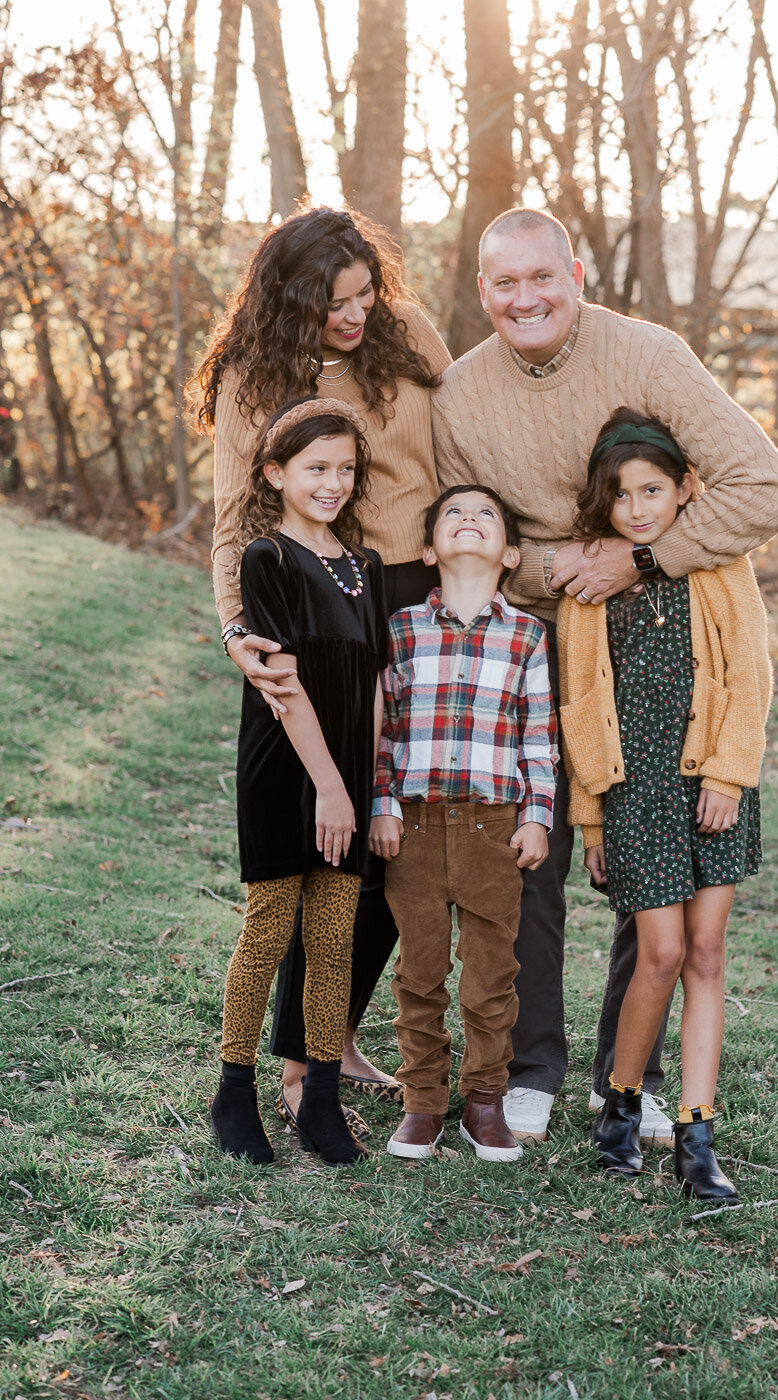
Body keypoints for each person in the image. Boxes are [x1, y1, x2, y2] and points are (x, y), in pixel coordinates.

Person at [431, 207, 778, 1143]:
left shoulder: (649, 355)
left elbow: (770, 490)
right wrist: (558, 566)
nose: (525, 298)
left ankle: (618, 1077)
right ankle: (530, 1068)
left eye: (541, 278)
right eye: (504, 283)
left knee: (652, 872)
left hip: (661, 646)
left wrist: (637, 560)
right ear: (483, 292)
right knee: (535, 860)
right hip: (533, 648)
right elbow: (468, 530)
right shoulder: (460, 397)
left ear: (577, 274)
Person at [191, 204, 451, 1122]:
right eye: (335, 302)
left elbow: (457, 448)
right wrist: (239, 636)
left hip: (419, 590)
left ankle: (326, 1035)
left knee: (400, 830)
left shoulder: (408, 332)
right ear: (291, 300)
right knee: (325, 834)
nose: (357, 313)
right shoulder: (251, 376)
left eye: (365, 291)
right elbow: (233, 522)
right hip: (308, 601)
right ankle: (305, 1064)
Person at [558, 409, 771, 1198]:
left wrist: (727, 775)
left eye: (653, 488)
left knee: (708, 954)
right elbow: (580, 708)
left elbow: (750, 675)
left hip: (716, 784)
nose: (638, 507)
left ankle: (697, 1134)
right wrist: (588, 818)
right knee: (661, 953)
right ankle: (619, 1100)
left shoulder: (719, 563)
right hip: (635, 793)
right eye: (620, 495)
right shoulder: (590, 587)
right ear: (602, 503)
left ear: (685, 488)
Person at [210, 398, 389, 1167]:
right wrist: (329, 788)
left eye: (346, 469)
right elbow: (280, 684)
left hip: (347, 776)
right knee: (270, 928)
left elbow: (377, 681)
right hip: (289, 772)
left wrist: (366, 786)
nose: (334, 482)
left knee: (333, 939)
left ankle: (319, 1096)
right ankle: (234, 1091)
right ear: (276, 473)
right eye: (317, 468)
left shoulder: (364, 567)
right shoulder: (268, 560)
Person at [368, 485, 557, 1162]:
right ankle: (422, 1102)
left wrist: (537, 819)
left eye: (486, 515)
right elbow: (384, 734)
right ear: (427, 549)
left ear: (510, 553)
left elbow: (538, 740)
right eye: (454, 513)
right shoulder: (400, 631)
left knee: (489, 976)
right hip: (413, 826)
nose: (469, 520)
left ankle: (484, 1102)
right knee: (418, 974)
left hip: (491, 828)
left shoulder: (529, 636)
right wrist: (383, 806)